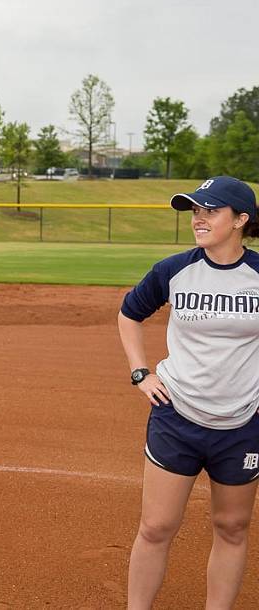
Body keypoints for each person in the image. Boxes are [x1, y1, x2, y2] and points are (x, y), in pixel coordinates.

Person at [119, 176, 259, 609]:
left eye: (210, 210)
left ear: (240, 220)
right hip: (176, 416)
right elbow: (129, 315)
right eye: (195, 210)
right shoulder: (173, 270)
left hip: (242, 424)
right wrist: (142, 374)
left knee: (232, 527)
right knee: (156, 527)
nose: (199, 218)